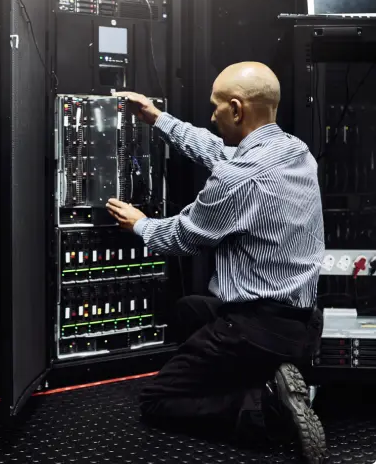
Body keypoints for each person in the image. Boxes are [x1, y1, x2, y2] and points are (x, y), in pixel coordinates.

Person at [106, 62, 327, 463]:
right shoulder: (296, 151)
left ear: (238, 110)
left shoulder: (238, 181)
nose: (212, 115)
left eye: (216, 107)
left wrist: (140, 225)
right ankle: (270, 374)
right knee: (189, 309)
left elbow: (183, 236)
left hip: (256, 328)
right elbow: (220, 153)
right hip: (302, 322)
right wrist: (159, 119)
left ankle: (266, 408)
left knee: (157, 401)